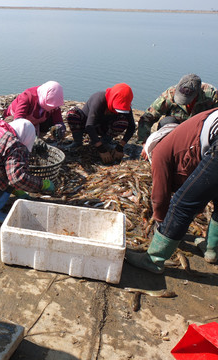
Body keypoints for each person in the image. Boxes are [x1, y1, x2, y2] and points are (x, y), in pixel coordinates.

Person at [126, 108, 218, 273]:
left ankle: (153, 260)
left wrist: (161, 222)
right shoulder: (183, 136)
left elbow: (161, 197)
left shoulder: (160, 151)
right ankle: (212, 250)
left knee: (182, 204)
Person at [65, 83, 135, 164]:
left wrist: (120, 146)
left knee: (123, 121)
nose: (117, 111)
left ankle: (105, 141)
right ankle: (78, 141)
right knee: (72, 113)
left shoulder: (126, 106)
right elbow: (89, 125)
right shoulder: (99, 99)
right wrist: (101, 149)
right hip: (86, 125)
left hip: (103, 128)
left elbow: (131, 126)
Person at [137, 74, 218, 143]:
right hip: (175, 133)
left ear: (197, 93)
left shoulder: (212, 96)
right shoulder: (170, 94)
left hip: (200, 134)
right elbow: (147, 117)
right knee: (166, 122)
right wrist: (145, 142)